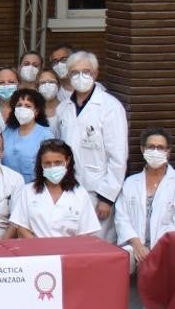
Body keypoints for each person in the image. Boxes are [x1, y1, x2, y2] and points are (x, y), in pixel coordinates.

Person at [53, 51, 127, 238]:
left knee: (97, 244)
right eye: (75, 72)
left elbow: (118, 157)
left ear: (95, 73)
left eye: (86, 71)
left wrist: (106, 198)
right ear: (68, 75)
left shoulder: (110, 107)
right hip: (68, 186)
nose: (80, 77)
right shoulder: (63, 108)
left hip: (97, 190)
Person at [116, 128, 175, 264]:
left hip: (166, 248)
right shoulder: (131, 182)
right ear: (142, 149)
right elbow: (121, 218)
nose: (155, 151)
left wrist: (155, 250)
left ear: (168, 151)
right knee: (120, 263)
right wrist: (138, 246)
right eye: (151, 147)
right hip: (135, 247)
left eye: (160, 148)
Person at [10, 139, 103, 238]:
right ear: (41, 164)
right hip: (36, 250)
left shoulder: (80, 193)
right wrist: (41, 249)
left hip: (70, 251)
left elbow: (86, 233)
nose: (52, 167)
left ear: (67, 161)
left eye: (57, 162)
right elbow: (21, 228)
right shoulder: (28, 191)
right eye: (47, 163)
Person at [2, 89, 54, 182]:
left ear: (36, 111)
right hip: (8, 186)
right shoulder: (7, 132)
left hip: (33, 188)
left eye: (28, 106)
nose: (22, 109)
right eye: (19, 105)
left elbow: (50, 166)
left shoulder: (45, 135)